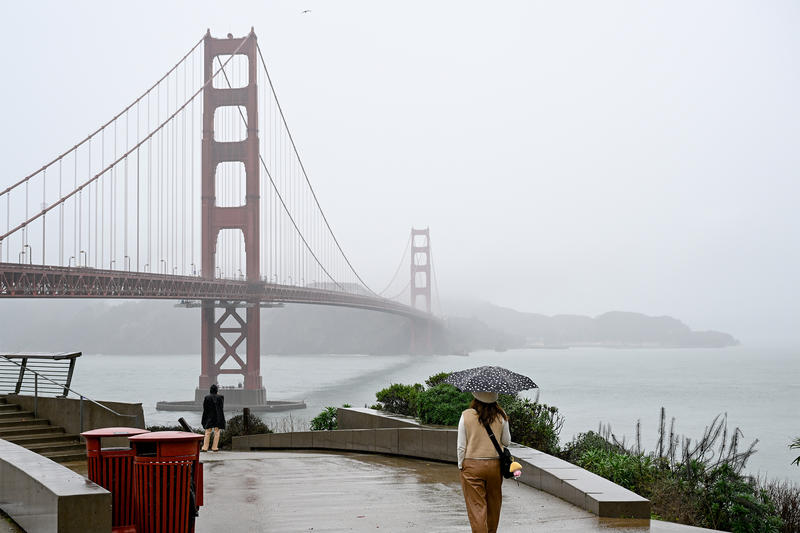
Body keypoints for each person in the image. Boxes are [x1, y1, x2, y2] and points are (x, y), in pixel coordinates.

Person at [457, 391, 511, 533]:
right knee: (494, 506)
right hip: (494, 466)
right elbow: (506, 441)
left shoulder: (466, 415)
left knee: (477, 508)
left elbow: (461, 446)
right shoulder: (501, 415)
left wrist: (461, 465)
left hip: (472, 466)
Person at [201, 384, 225, 452]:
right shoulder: (221, 397)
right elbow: (221, 408)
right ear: (216, 390)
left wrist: (204, 418)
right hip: (218, 416)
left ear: (210, 390)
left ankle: (205, 448)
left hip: (209, 417)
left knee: (207, 432)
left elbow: (205, 408)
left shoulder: (207, 397)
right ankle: (214, 448)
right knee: (217, 432)